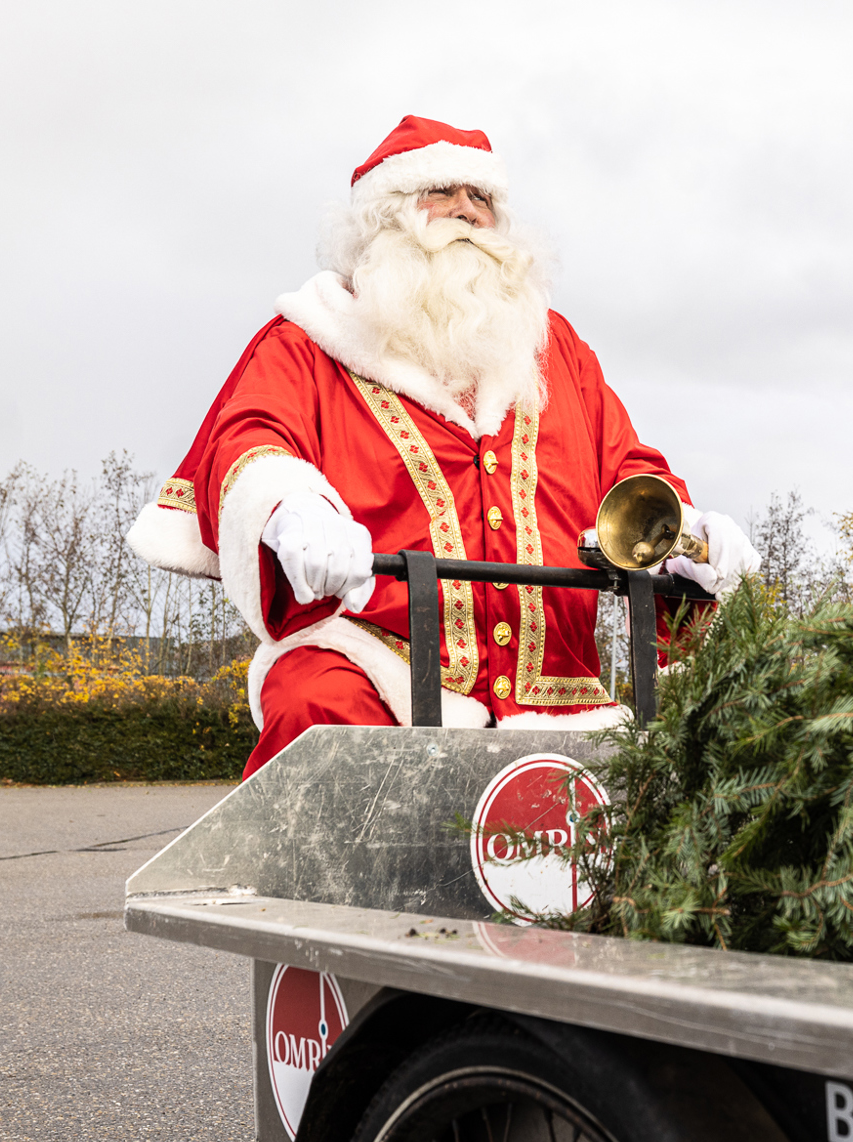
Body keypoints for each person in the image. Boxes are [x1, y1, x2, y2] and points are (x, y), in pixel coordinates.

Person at [128, 116, 759, 775]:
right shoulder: (309, 339)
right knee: (315, 705)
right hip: (376, 669)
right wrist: (290, 507)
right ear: (382, 219)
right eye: (440, 192)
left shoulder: (554, 349)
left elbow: (624, 468)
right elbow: (248, 438)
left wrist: (684, 537)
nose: (466, 210)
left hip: (557, 695)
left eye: (482, 198)